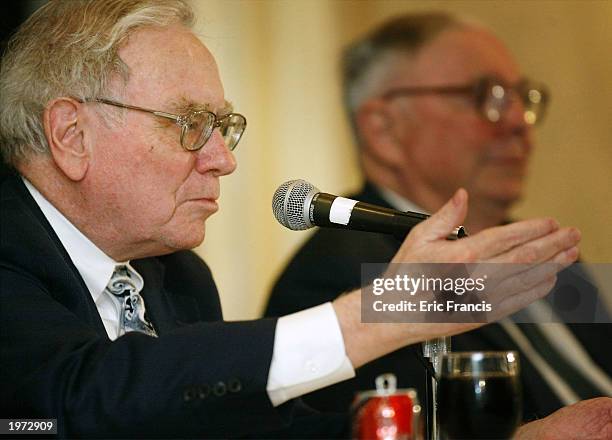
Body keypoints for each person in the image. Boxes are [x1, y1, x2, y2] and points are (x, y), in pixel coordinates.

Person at [0, 1, 582, 438]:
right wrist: (381, 315)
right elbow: (82, 398)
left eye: (223, 128)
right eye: (189, 123)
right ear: (71, 135)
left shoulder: (177, 277)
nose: (223, 160)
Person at [266, 12, 612, 423]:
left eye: (521, 97)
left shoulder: (543, 250)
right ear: (384, 130)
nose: (519, 121)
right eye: (488, 96)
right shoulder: (343, 273)